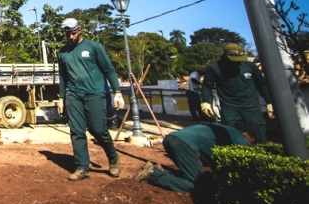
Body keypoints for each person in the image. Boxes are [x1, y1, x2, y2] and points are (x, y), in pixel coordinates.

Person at [56, 18, 125, 181]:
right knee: (77, 131)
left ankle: (113, 157)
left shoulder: (94, 47)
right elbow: (63, 77)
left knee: (98, 130)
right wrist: (61, 98)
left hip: (94, 93)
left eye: (73, 33)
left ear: (79, 30)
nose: (71, 37)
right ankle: (82, 167)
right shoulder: (62, 52)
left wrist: (118, 92)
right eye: (67, 34)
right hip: (73, 94)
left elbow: (108, 69)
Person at [135, 122, 256, 193]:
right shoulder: (240, 138)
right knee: (197, 185)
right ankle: (153, 174)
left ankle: (162, 172)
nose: (251, 144)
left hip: (172, 139)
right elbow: (246, 161)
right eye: (252, 141)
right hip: (183, 144)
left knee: (192, 173)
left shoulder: (224, 129)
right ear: (247, 134)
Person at [201, 43, 270, 143]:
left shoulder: (250, 66)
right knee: (230, 136)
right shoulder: (214, 68)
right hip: (229, 107)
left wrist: (269, 102)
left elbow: (262, 85)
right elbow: (207, 86)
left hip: (251, 106)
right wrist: (205, 102)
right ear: (224, 55)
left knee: (260, 135)